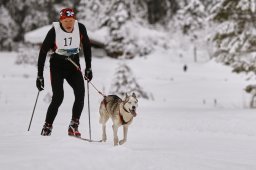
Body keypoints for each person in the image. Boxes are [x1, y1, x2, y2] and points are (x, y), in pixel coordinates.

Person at [36, 8, 93, 137]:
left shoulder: (80, 28)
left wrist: (88, 67)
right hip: (57, 66)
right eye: (66, 21)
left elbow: (87, 47)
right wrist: (39, 75)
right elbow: (43, 52)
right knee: (58, 97)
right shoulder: (54, 31)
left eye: (71, 21)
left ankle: (73, 126)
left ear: (74, 20)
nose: (69, 24)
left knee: (80, 93)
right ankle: (47, 127)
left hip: (73, 66)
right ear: (61, 21)